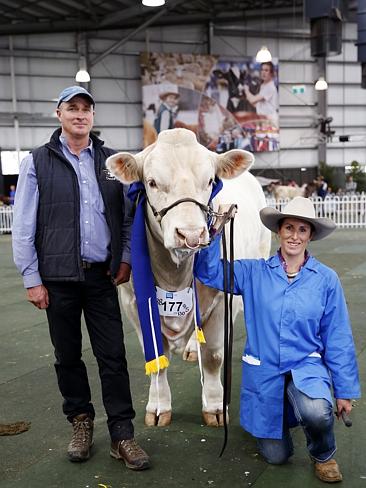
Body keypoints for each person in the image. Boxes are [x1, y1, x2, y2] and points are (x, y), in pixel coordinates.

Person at [12, 86, 150, 471]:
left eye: (86, 108)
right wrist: (31, 278)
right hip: (57, 279)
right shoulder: (36, 162)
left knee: (114, 356)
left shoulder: (110, 161)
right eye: (72, 108)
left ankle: (122, 434)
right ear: (58, 114)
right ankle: (81, 422)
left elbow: (126, 218)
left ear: (93, 116)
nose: (80, 114)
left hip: (102, 276)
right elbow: (23, 225)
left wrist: (124, 260)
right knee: (67, 357)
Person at [194, 197, 360, 483]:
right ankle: (282, 414)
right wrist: (215, 231)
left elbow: (338, 337)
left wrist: (344, 390)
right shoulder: (254, 272)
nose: (295, 236)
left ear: (310, 236)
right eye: (289, 228)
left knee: (318, 413)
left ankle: (323, 454)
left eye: (302, 230)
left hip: (305, 367)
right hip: (265, 370)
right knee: (276, 456)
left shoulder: (326, 280)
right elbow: (209, 272)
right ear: (278, 232)